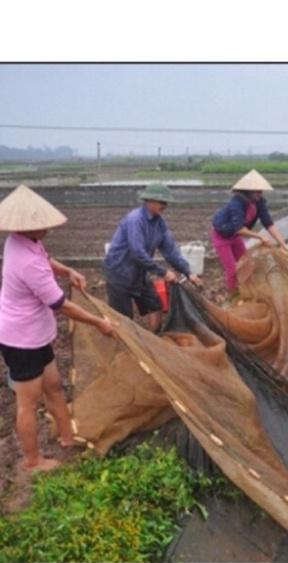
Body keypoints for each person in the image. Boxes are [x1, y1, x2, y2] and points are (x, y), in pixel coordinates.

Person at [0, 185, 117, 472]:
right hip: (20, 340)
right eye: (43, 226)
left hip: (36, 335)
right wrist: (99, 322)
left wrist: (68, 271)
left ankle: (66, 437)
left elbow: (47, 260)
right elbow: (60, 304)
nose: (48, 230)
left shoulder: (23, 241)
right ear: (32, 226)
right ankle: (32, 461)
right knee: (28, 401)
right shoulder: (26, 261)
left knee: (53, 386)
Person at [104, 183, 202, 332]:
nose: (165, 205)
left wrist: (189, 272)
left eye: (166, 202)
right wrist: (163, 272)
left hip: (140, 273)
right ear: (149, 201)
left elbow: (171, 252)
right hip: (119, 272)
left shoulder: (160, 224)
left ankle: (154, 339)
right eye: (161, 202)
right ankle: (125, 350)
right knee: (123, 318)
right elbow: (137, 252)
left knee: (155, 306)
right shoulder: (135, 220)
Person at [211, 169, 288, 293]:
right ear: (249, 191)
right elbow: (240, 229)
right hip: (222, 237)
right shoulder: (236, 203)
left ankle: (245, 290)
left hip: (236, 237)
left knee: (247, 265)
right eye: (257, 191)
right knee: (232, 270)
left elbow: (269, 224)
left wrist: (283, 244)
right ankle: (233, 295)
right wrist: (260, 237)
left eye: (261, 191)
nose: (260, 193)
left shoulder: (259, 203)